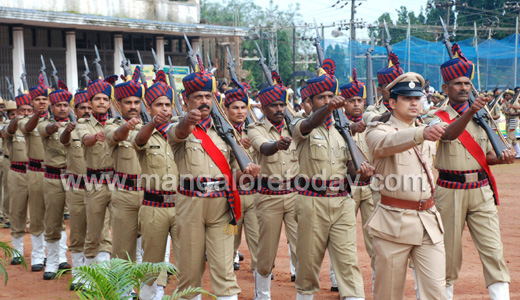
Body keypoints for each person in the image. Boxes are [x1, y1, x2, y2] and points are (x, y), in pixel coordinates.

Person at [168, 61, 261, 300]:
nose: (204, 101)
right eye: (197, 96)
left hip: (222, 204)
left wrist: (246, 173)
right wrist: (188, 120)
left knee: (225, 270)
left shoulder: (227, 132)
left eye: (208, 96)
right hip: (191, 205)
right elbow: (178, 133)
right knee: (189, 272)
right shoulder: (178, 128)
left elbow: (233, 173)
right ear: (185, 99)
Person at [434, 43, 515, 299]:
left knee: (493, 250)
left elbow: (486, 155)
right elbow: (448, 135)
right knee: (448, 253)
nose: (464, 88)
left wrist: (502, 158)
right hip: (450, 191)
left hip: (481, 190)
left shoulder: (484, 115)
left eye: (467, 83)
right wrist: (471, 110)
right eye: (457, 84)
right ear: (445, 88)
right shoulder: (435, 115)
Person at [290, 59, 372, 300]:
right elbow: (306, 124)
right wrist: (328, 110)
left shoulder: (342, 128)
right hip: (311, 201)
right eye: (321, 97)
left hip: (343, 201)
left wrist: (360, 171)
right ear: (310, 102)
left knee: (348, 263)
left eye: (330, 97)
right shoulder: (299, 123)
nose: (327, 101)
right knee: (308, 264)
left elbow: (348, 165)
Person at [366, 72, 446, 300]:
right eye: (406, 98)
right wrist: (423, 133)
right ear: (391, 103)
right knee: (388, 294)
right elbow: (386, 143)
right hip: (394, 223)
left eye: (417, 98)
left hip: (428, 221)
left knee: (436, 293)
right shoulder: (377, 130)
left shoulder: (427, 129)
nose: (414, 102)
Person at [247, 71, 299, 299]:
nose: (279, 109)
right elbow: (265, 148)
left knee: (303, 247)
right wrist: (278, 144)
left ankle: (303, 293)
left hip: (296, 195)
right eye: (274, 105)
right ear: (264, 108)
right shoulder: (255, 128)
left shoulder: (296, 127)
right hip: (269, 196)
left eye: (282, 104)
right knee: (266, 252)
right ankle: (263, 294)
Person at [133, 70, 180, 300]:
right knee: (151, 259)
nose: (164, 109)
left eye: (168, 104)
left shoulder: (180, 132)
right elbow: (139, 140)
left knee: (184, 261)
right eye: (158, 104)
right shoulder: (144, 132)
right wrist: (152, 123)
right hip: (154, 206)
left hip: (182, 206)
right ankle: (148, 296)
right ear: (149, 108)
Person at [60, 90, 111, 290]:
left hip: (99, 184)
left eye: (90, 108)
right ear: (76, 110)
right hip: (76, 187)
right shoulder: (72, 128)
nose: (88, 110)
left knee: (102, 232)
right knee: (79, 230)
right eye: (84, 108)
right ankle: (80, 275)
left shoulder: (109, 124)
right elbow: (64, 139)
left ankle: (103, 274)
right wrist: (68, 129)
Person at [338, 68, 377, 287]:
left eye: (359, 100)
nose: (356, 104)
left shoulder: (371, 124)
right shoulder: (335, 126)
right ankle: (339, 280)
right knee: (343, 239)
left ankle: (375, 281)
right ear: (343, 102)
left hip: (371, 187)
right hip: (347, 188)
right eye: (351, 100)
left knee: (374, 237)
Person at [77, 75, 118, 264]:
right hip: (95, 184)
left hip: (118, 183)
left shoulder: (117, 124)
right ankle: (89, 274)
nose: (101, 102)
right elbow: (86, 139)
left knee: (120, 230)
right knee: (94, 230)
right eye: (97, 99)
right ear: (90, 102)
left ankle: (117, 274)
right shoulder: (83, 124)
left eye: (105, 99)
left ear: (110, 103)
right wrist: (97, 137)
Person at [105, 67, 145, 261]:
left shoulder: (150, 127)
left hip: (150, 193)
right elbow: (116, 136)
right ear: (118, 104)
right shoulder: (111, 124)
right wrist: (126, 127)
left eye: (136, 102)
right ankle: (123, 291)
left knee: (150, 246)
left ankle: (150, 291)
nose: (132, 106)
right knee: (122, 247)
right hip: (125, 193)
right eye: (127, 102)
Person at [37, 82, 74, 280]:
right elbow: (47, 129)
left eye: (65, 105)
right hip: (52, 177)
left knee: (77, 221)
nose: (62, 108)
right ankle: (52, 261)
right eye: (58, 105)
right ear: (51, 107)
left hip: (74, 178)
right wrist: (56, 125)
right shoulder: (45, 124)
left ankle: (73, 263)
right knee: (53, 221)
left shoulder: (78, 124)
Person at [18, 75, 54, 272]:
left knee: (56, 215)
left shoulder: (57, 119)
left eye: (45, 99)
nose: (42, 102)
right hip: (36, 171)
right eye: (38, 99)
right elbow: (29, 127)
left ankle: (57, 254)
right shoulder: (26, 120)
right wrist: (36, 115)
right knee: (38, 214)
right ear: (31, 102)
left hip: (57, 172)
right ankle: (38, 255)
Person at [224, 82, 259, 272]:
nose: (240, 111)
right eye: (235, 107)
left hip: (253, 194)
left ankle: (259, 276)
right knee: (229, 238)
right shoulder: (221, 133)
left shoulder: (254, 131)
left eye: (243, 107)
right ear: (226, 109)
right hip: (230, 194)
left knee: (257, 238)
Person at [2, 94, 32, 265]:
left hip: (38, 172)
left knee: (39, 214)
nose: (26, 113)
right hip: (18, 172)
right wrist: (17, 120)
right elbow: (8, 131)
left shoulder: (39, 127)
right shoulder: (10, 127)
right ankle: (17, 251)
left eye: (29, 110)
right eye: (22, 110)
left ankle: (40, 253)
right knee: (17, 212)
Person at [364, 52, 404, 123]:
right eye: (388, 86)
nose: (393, 90)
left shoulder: (410, 110)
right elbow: (376, 120)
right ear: (380, 90)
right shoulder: (372, 112)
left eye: (396, 86)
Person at [0, 100, 17, 230]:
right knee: (7, 190)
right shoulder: (5, 125)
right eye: (12, 114)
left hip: (23, 162)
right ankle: (7, 217)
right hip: (8, 160)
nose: (15, 116)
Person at [501, 88, 520, 157]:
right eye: (505, 95)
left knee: (509, 137)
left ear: (512, 96)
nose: (506, 96)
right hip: (508, 121)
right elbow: (501, 108)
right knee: (513, 138)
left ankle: (508, 153)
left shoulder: (515, 102)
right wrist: (503, 111)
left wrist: (510, 114)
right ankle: (519, 152)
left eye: (507, 95)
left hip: (513, 121)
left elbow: (519, 112)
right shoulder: (506, 102)